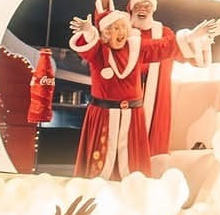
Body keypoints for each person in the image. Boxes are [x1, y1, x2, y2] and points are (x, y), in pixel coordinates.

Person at [96, 0, 220, 156]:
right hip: (121, 96)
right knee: (115, 144)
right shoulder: (122, 32)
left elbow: (187, 54)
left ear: (153, 10)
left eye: (147, 6)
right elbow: (104, 22)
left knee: (152, 144)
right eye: (138, 6)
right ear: (131, 10)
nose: (142, 9)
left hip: (156, 95)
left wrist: (204, 38)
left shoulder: (164, 34)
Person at [68, 9, 184, 179]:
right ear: (106, 33)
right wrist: (88, 31)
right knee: (99, 162)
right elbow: (88, 46)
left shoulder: (136, 48)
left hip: (133, 117)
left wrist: (194, 36)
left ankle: (132, 190)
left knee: (132, 164)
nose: (121, 32)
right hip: (103, 116)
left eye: (123, 28)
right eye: (115, 28)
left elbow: (164, 46)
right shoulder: (98, 51)